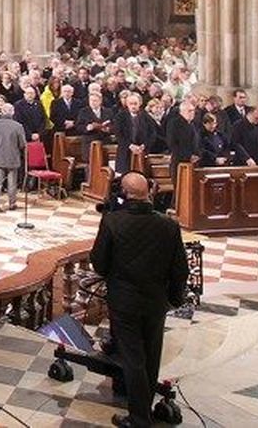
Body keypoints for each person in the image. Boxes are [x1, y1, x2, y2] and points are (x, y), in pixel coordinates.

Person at [91, 172, 190, 428]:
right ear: (149, 193)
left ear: (124, 195)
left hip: (124, 302)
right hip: (156, 302)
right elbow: (181, 269)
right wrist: (175, 298)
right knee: (151, 356)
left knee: (133, 359)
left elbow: (99, 263)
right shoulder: (169, 225)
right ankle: (144, 409)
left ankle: (139, 418)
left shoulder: (113, 221)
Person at [0, 103, 26, 212]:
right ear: (12, 112)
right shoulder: (18, 126)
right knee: (12, 182)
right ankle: (12, 204)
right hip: (13, 157)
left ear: (2, 112)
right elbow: (22, 144)